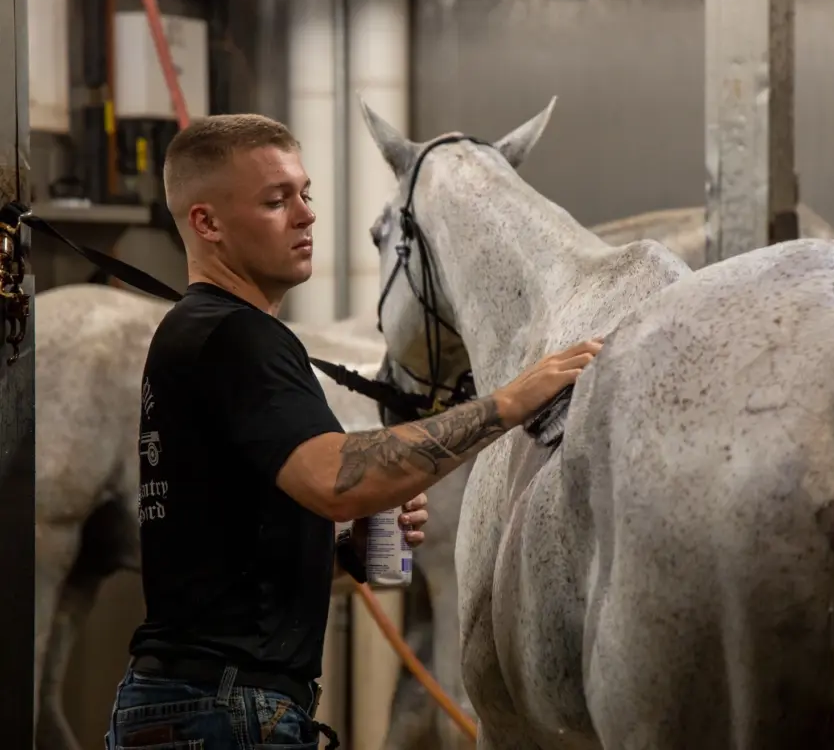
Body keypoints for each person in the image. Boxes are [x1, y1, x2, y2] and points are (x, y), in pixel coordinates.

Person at [104, 113, 603, 750]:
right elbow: (337, 479)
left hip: (205, 703)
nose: (306, 215)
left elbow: (225, 549)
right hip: (221, 711)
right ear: (207, 223)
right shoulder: (235, 336)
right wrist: (508, 401)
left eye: (305, 193)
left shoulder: (208, 333)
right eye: (275, 200)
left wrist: (346, 551)